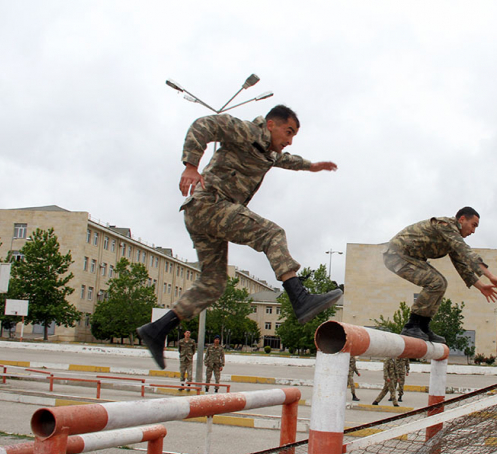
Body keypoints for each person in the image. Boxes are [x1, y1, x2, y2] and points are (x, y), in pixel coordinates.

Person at [137, 105, 343, 368]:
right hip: (209, 205)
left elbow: (286, 160)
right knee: (272, 234)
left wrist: (312, 166)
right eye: (288, 132)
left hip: (205, 216)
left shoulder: (268, 153)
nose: (289, 140)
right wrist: (191, 165)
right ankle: (300, 298)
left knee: (214, 283)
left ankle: (156, 330)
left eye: (294, 137)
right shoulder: (246, 131)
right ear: (270, 124)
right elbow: (204, 125)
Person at [384, 207, 497, 343]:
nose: (473, 231)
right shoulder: (446, 226)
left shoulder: (451, 239)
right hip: (396, 255)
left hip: (408, 257)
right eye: (473, 225)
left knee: (441, 283)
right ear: (462, 219)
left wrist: (481, 286)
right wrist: (490, 276)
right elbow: (466, 251)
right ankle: (411, 325)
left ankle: (423, 326)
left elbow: (462, 266)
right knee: (435, 282)